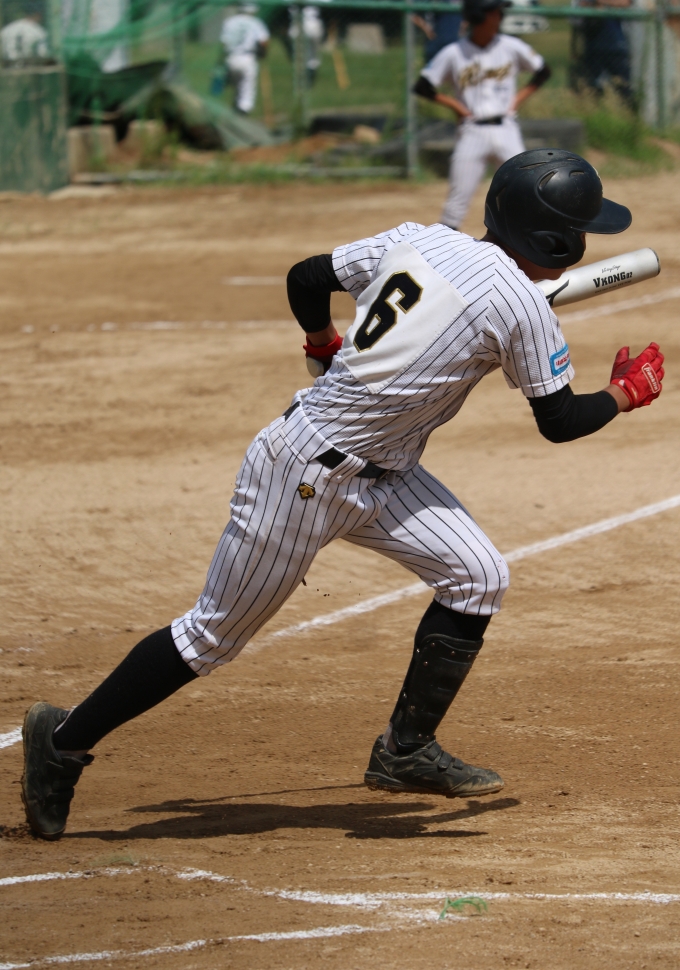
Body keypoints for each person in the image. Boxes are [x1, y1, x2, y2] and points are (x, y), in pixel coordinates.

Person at [21, 149, 665, 841]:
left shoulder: (420, 240)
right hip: (303, 475)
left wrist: (321, 341)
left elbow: (306, 277)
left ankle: (404, 751)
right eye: (580, 229)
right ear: (557, 240)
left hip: (387, 472)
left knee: (478, 577)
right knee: (211, 637)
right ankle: (62, 742)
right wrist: (626, 393)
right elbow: (561, 421)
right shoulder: (521, 308)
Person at [414, 0, 551, 232]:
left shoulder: (511, 46)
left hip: (506, 129)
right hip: (472, 131)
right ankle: (442, 250)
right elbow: (422, 86)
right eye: (494, 12)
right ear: (478, 16)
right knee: (456, 205)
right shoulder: (454, 53)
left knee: (527, 191)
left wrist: (518, 99)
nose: (500, 16)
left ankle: (533, 246)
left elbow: (543, 71)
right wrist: (454, 105)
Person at [574, 0, 633, 104]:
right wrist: (606, 3)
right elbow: (584, 3)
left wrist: (602, 1)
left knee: (624, 87)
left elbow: (625, 1)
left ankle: (626, 112)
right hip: (594, 43)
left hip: (617, 43)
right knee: (594, 87)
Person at [283, 0, 334, 86]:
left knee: (299, 56)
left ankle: (299, 82)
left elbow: (284, 0)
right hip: (312, 23)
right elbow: (329, 0)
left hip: (296, 24)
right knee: (312, 56)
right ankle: (309, 83)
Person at [218, 3, 270, 115]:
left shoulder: (230, 21)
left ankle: (236, 107)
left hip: (231, 57)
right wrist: (263, 53)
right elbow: (264, 41)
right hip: (247, 57)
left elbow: (224, 42)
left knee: (237, 85)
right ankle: (243, 110)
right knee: (247, 86)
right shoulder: (255, 22)